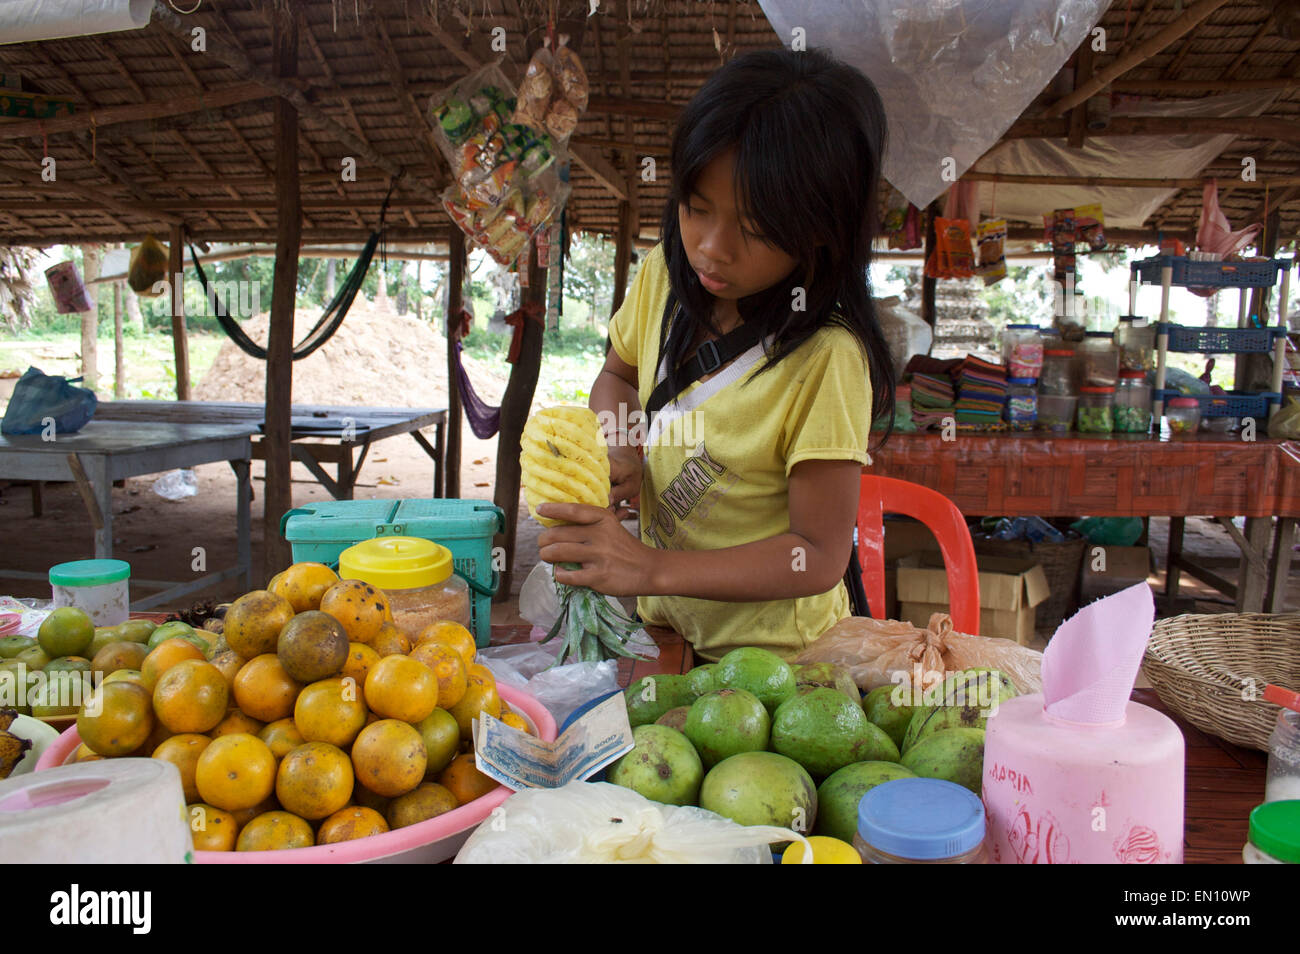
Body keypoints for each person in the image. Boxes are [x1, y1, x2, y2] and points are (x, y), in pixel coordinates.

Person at [536, 47, 895, 661]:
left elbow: (816, 554)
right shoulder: (664, 278)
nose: (710, 248)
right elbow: (616, 374)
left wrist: (647, 568)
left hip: (777, 662)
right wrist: (620, 443)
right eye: (696, 209)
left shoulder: (827, 359)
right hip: (669, 632)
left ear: (819, 231)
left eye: (752, 228)